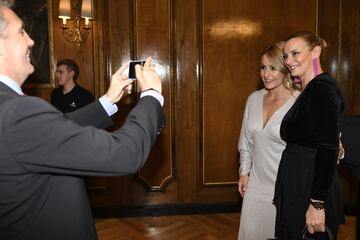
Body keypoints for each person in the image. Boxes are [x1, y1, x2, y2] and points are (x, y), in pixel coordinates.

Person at [0, 2, 165, 240]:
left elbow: (57, 128)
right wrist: (151, 96)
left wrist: (108, 100)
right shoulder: (17, 112)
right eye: (21, 32)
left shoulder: (11, 109)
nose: (31, 41)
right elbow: (124, 154)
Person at [273, 31, 345, 239]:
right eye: (286, 56)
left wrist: (317, 203)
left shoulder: (322, 88)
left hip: (310, 185)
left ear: (316, 52)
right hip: (301, 181)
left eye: (295, 53)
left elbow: (328, 147)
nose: (289, 61)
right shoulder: (311, 89)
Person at [237, 41, 300, 240]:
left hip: (285, 189)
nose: (266, 74)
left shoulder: (299, 101)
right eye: (263, 67)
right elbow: (245, 142)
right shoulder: (253, 99)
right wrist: (244, 172)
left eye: (273, 68)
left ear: (285, 69)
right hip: (255, 186)